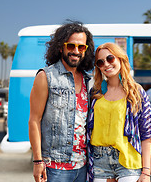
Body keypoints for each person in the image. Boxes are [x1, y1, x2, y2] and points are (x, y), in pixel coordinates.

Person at [29, 21, 95, 182]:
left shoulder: (89, 80)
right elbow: (34, 121)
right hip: (55, 168)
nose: (76, 51)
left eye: (81, 47)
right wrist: (38, 161)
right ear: (61, 47)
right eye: (71, 46)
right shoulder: (46, 77)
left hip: (83, 167)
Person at [87, 42, 151, 182]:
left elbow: (146, 133)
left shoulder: (136, 92)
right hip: (99, 160)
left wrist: (146, 171)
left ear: (120, 58)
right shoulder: (95, 93)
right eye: (100, 62)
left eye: (110, 58)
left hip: (128, 159)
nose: (106, 64)